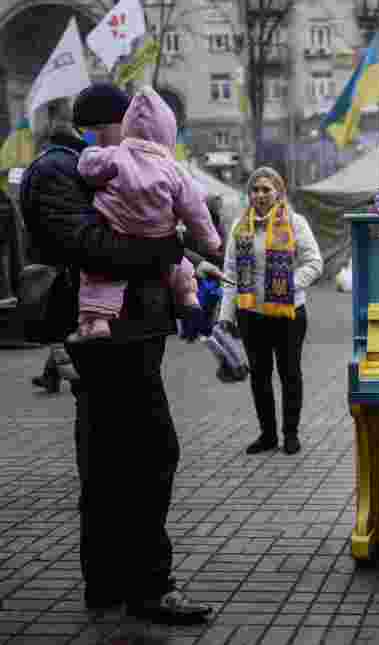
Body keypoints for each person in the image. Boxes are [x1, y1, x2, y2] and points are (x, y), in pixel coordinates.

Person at [18, 83, 212, 623]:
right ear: (111, 122)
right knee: (148, 458)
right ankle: (149, 585)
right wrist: (168, 247)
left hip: (129, 336)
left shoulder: (96, 166)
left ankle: (108, 584)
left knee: (108, 464)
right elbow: (89, 246)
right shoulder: (58, 171)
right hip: (109, 341)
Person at [72, 87, 221, 341]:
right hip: (156, 243)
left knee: (101, 280)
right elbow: (196, 209)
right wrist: (211, 241)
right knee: (179, 267)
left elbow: (88, 166)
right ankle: (188, 298)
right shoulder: (175, 169)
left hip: (122, 229)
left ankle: (98, 321)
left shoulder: (114, 156)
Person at [217, 167, 323, 456]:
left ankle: (290, 433)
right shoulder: (241, 226)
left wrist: (289, 286)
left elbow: (314, 263)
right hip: (251, 314)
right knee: (259, 376)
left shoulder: (294, 222)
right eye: (255, 189)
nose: (261, 195)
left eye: (266, 189)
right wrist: (225, 316)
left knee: (289, 374)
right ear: (249, 194)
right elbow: (230, 274)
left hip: (289, 314)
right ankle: (267, 435)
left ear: (278, 191)